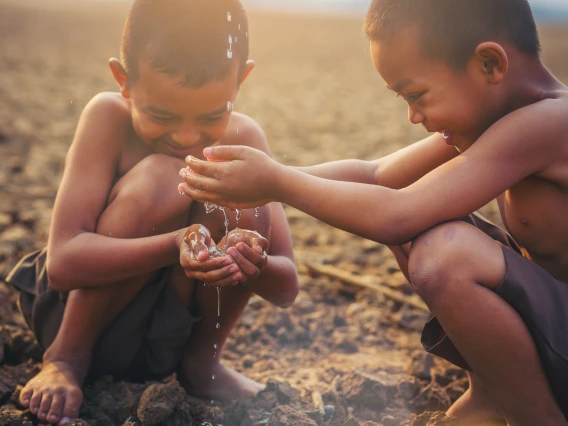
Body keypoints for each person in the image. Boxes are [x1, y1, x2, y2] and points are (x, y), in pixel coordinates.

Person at [178, 0, 568, 424]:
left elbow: (396, 213)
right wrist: (263, 182)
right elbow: (378, 176)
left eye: (417, 95)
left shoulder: (549, 122)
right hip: (554, 328)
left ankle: (537, 415)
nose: (413, 115)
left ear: (489, 64)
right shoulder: (496, 114)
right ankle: (492, 394)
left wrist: (275, 182)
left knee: (446, 253)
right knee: (417, 225)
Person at [6, 0, 299, 424]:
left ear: (241, 81)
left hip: (170, 342)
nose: (185, 135)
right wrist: (174, 244)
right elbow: (63, 265)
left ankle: (202, 366)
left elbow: (286, 286)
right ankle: (66, 359)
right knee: (166, 176)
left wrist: (249, 260)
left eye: (212, 115)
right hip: (86, 321)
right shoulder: (108, 117)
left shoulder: (246, 138)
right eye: (161, 114)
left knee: (243, 209)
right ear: (123, 81)